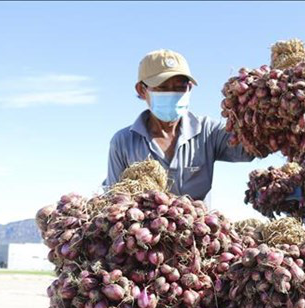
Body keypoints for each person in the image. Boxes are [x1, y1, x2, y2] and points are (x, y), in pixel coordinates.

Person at [103, 49, 254, 200]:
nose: (172, 94)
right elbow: (114, 202)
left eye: (180, 87)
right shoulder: (123, 143)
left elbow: (250, 148)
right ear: (142, 90)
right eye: (162, 88)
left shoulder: (208, 131)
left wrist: (255, 107)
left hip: (195, 222)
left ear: (189, 89)